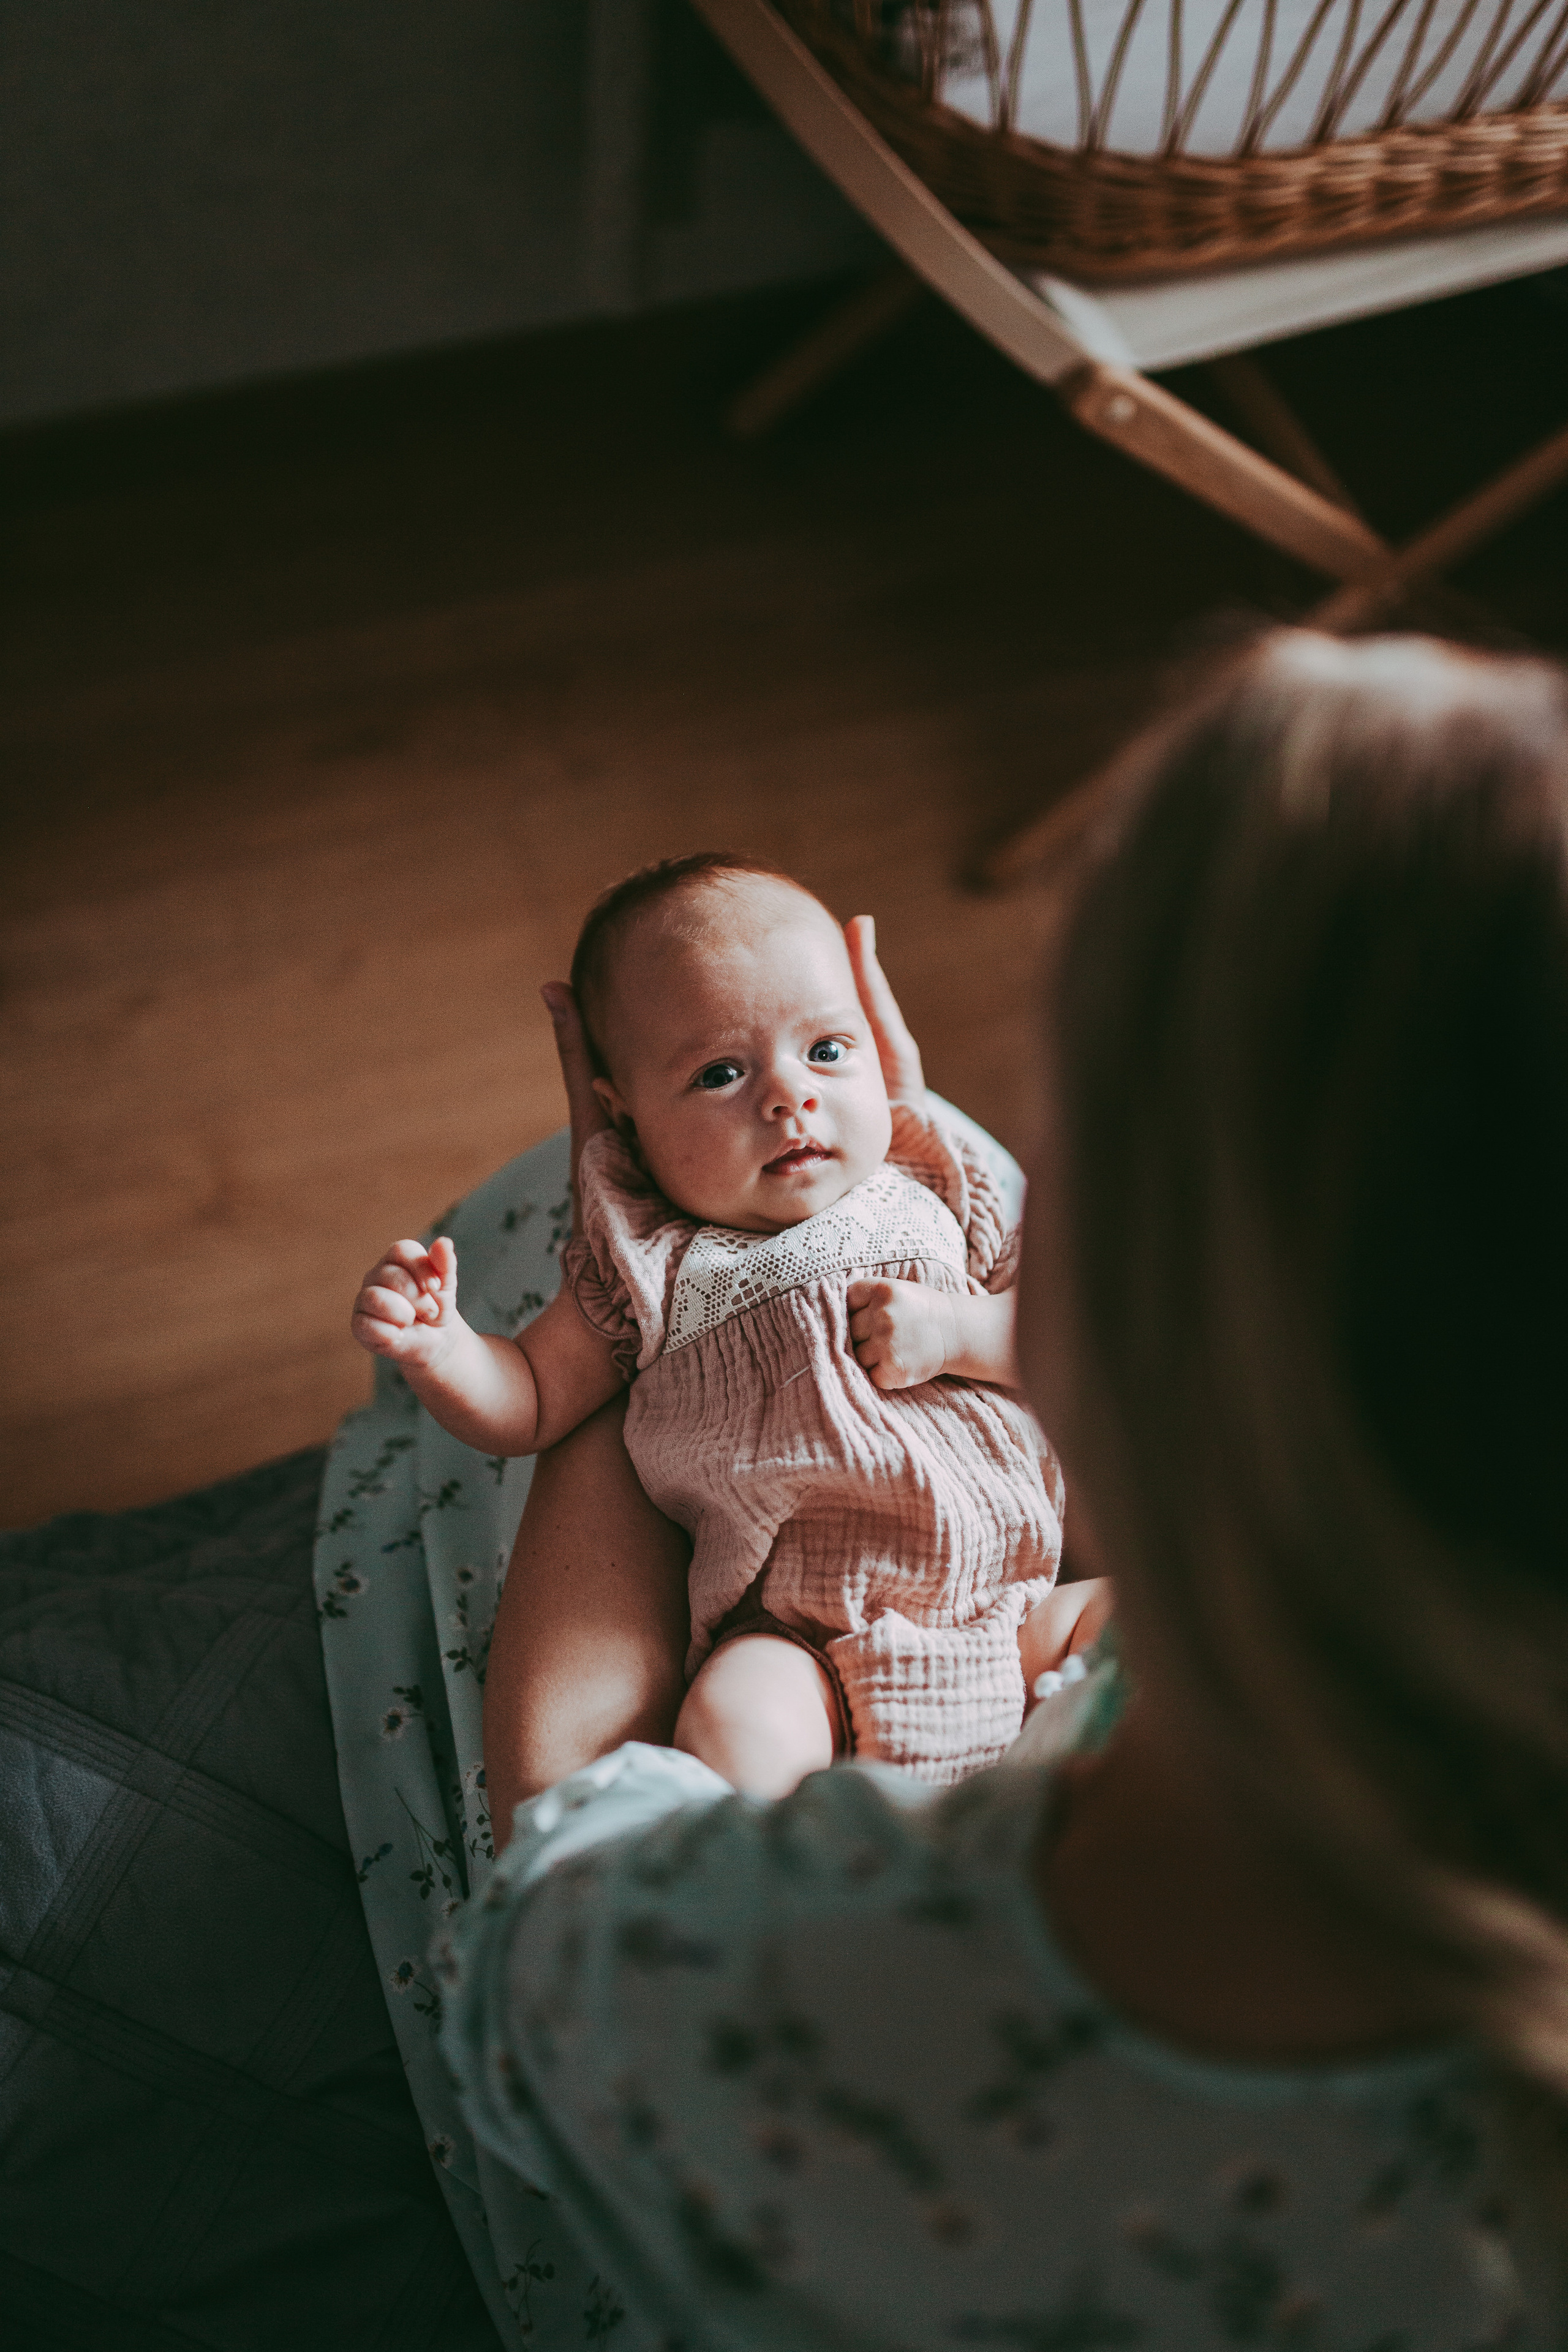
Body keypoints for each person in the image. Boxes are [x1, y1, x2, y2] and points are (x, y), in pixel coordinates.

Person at [436, 630, 1568, 2346]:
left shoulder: (690, 1979)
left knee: (494, 1243)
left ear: (1100, 1323)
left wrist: (625, 1265)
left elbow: (548, 1879)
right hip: (913, 1590)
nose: (825, 1105)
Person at [352, 859, 1106, 1795]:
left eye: (829, 1049)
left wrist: (958, 1334)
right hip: (804, 1646)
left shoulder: (938, 1184)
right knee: (729, 1716)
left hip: (1017, 1612)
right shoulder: (646, 1261)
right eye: (719, 1073)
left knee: (1143, 1626)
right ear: (625, 1120)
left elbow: (1074, 1342)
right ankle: (799, 1877)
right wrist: (444, 1350)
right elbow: (536, 1400)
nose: (790, 1096)